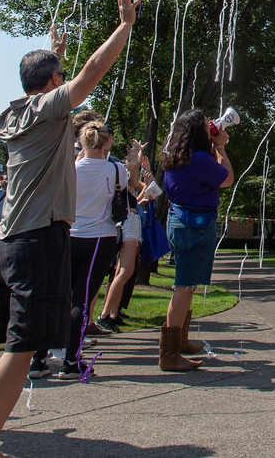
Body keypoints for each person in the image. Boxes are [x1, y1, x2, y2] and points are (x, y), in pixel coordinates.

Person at [0, 0, 139, 458]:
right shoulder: (48, 109)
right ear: (52, 83)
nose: (66, 81)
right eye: (59, 77)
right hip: (41, 236)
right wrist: (124, 25)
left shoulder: (17, 112)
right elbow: (91, 75)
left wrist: (53, 56)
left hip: (9, 238)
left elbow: (53, 81)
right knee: (21, 345)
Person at [30, 121, 142, 380]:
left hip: (68, 235)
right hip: (99, 239)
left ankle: (39, 359)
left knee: (57, 297)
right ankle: (71, 361)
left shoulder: (69, 168)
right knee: (81, 300)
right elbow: (133, 187)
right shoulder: (115, 170)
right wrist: (133, 162)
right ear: (106, 142)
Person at [158, 109, 234, 372]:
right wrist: (220, 148)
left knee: (187, 286)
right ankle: (169, 354)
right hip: (196, 226)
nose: (211, 125)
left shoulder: (174, 158)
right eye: (206, 124)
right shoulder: (201, 159)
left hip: (179, 223)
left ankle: (181, 341)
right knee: (184, 287)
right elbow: (227, 179)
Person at [98, 144, 152, 330]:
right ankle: (105, 314)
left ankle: (112, 313)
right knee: (125, 271)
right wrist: (132, 164)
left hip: (132, 222)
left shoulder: (125, 177)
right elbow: (134, 191)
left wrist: (137, 162)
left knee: (122, 272)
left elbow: (137, 183)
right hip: (128, 223)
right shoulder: (116, 177)